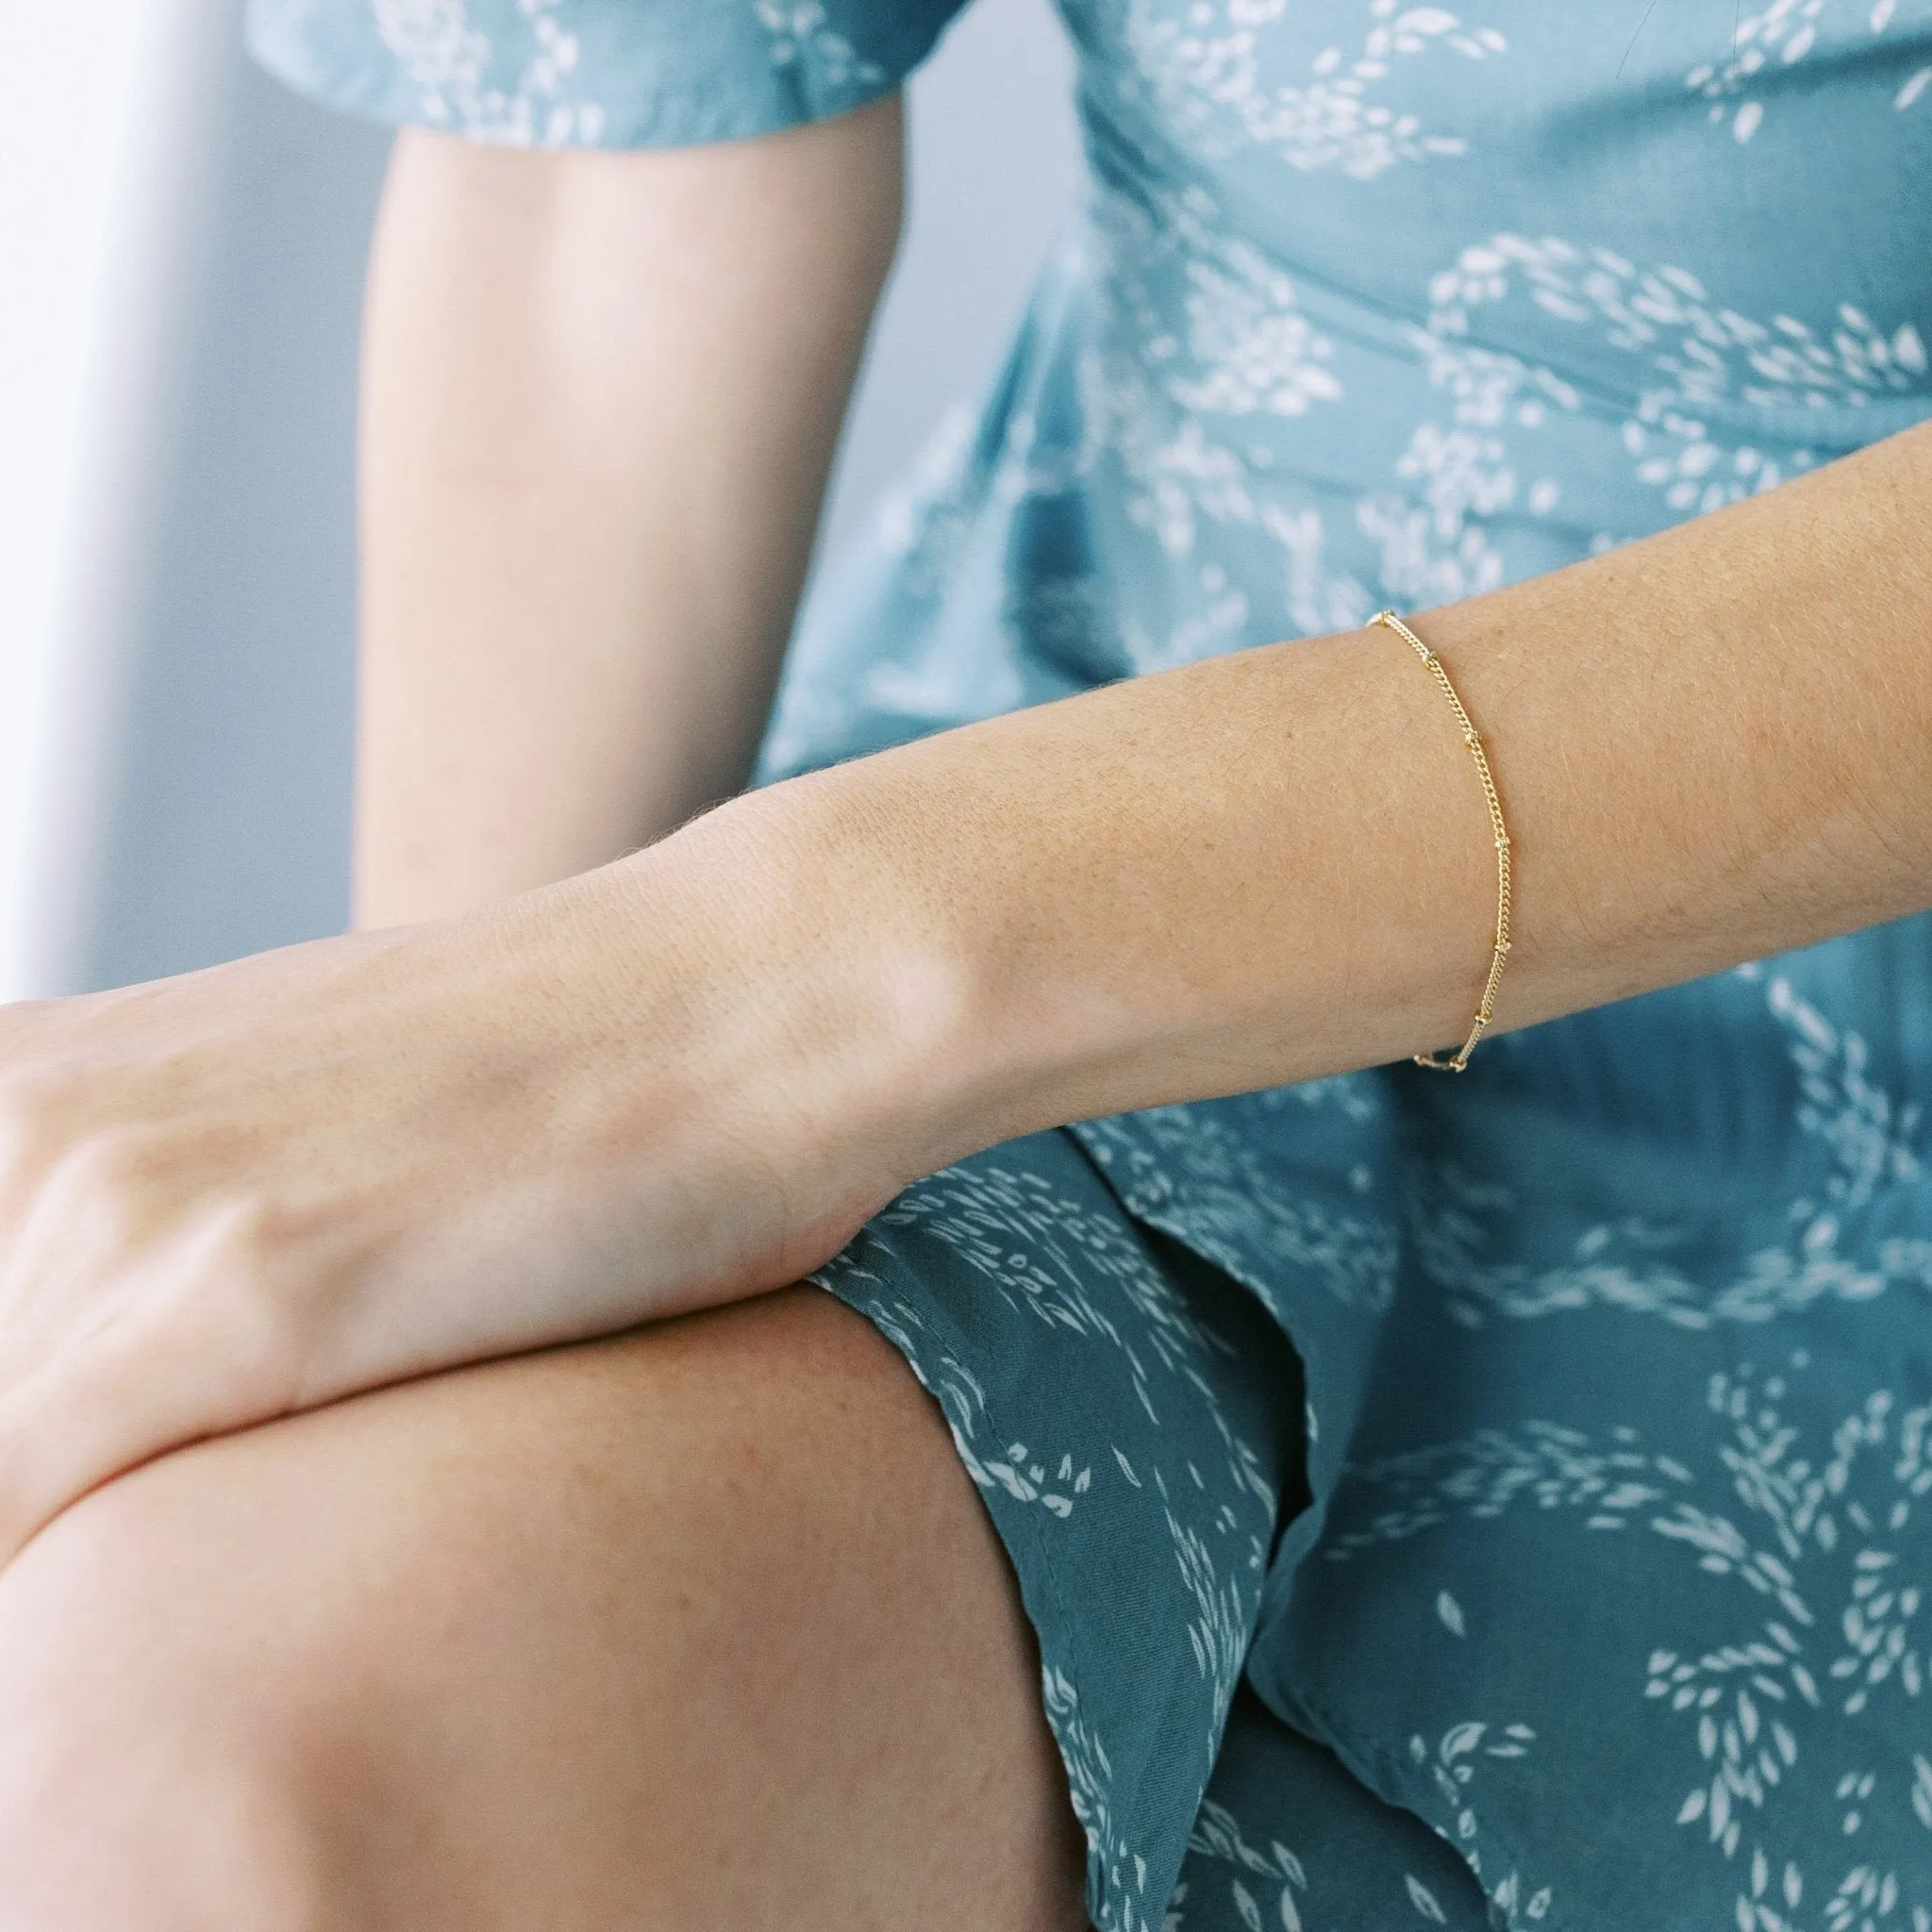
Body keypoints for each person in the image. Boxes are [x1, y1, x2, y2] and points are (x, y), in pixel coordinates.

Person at [1, 0, 1928, 1924]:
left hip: (967, 936)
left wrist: (802, 977)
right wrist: (501, 1113)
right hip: (1125, 957)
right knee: (212, 1787)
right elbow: (608, 121)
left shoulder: (845, 967)